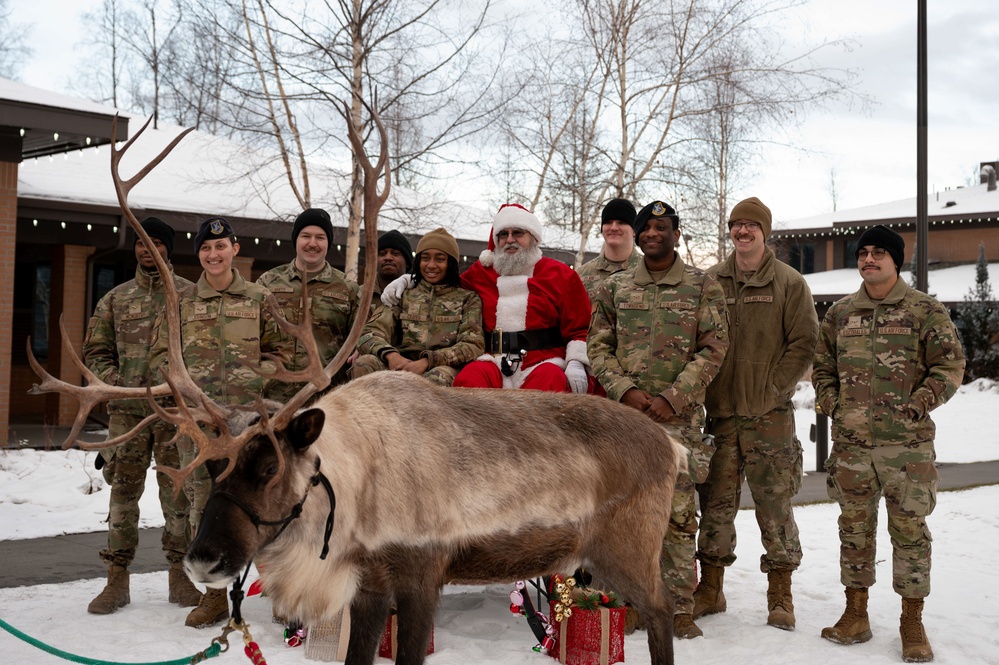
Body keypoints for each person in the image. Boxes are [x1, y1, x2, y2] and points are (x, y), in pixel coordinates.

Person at [812, 224, 965, 663]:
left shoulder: (924, 310)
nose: (869, 259)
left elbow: (950, 366)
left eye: (880, 253)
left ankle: (911, 621)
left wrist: (919, 404)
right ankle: (855, 614)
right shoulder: (840, 313)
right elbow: (822, 367)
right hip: (852, 447)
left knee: (910, 533)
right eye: (863, 253)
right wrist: (832, 404)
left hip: (908, 449)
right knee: (854, 530)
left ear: (896, 260)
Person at [588, 200, 729, 639]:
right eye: (644, 227)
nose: (651, 233)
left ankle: (680, 606)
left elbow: (713, 348)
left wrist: (674, 396)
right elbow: (597, 347)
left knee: (680, 515)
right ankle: (632, 602)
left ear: (676, 234)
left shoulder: (702, 287)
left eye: (661, 227)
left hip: (679, 421)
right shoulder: (616, 287)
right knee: (625, 515)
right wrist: (624, 391)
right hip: (626, 422)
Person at [149, 216, 290, 629]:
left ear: (234, 249)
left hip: (249, 425)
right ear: (200, 255)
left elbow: (283, 354)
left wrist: (256, 379)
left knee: (262, 505)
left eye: (221, 246)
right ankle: (214, 597)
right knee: (202, 506)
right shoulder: (182, 303)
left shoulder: (261, 298)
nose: (214, 254)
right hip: (201, 427)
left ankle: (278, 588)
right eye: (206, 249)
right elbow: (161, 358)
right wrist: (184, 389)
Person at [693, 197, 819, 631]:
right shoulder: (711, 280)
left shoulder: (789, 283)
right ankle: (710, 587)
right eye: (736, 225)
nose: (742, 232)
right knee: (714, 505)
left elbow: (804, 342)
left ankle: (780, 594)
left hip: (770, 417)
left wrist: (772, 388)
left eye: (751, 226)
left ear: (765, 232)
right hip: (721, 415)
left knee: (775, 504)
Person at [82, 217, 201, 616]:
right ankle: (117, 580)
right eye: (141, 243)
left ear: (168, 248)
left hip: (174, 416)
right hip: (125, 417)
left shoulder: (190, 296)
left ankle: (179, 576)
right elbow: (95, 352)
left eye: (156, 243)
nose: (147, 250)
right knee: (122, 498)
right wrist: (115, 383)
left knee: (178, 497)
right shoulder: (115, 299)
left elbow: (201, 353)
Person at [351, 227, 484, 386]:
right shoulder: (403, 295)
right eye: (425, 258)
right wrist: (391, 356)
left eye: (440, 259)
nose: (431, 265)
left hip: (442, 367)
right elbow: (370, 333)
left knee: (436, 377)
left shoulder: (468, 299)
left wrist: (427, 362)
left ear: (451, 264)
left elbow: (473, 344)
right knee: (364, 363)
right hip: (400, 364)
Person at [256, 208, 360, 398]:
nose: (312, 244)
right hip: (275, 395)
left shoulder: (348, 288)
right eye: (306, 236)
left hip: (326, 397)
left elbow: (362, 334)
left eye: (320, 237)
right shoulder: (268, 282)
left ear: (328, 243)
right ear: (296, 240)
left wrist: (362, 349)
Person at [576, 198, 642, 301]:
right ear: (602, 229)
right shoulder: (582, 275)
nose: (614, 227)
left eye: (621, 222)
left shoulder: (648, 270)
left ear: (634, 230)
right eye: (608, 222)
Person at [372, 229, 414, 304]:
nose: (388, 257)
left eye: (395, 253)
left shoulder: (418, 296)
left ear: (407, 262)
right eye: (382, 253)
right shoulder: (359, 294)